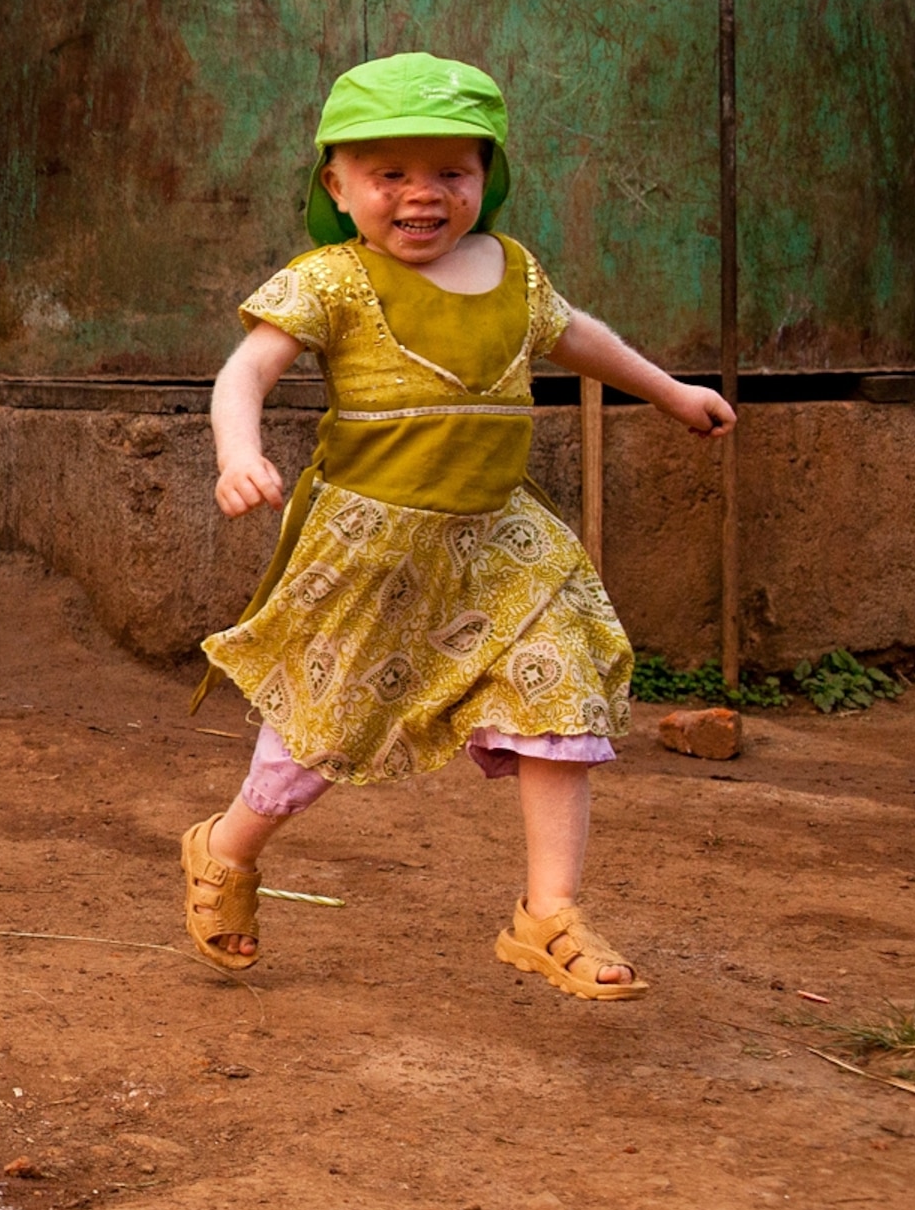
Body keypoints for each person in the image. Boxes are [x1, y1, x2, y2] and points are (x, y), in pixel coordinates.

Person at [183, 55, 732, 998]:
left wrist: (670, 391)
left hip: (499, 545)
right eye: (389, 173)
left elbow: (576, 336)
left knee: (555, 685)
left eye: (451, 171)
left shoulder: (516, 272)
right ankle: (226, 847)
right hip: (372, 553)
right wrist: (240, 452)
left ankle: (548, 911)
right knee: (322, 734)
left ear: (487, 176)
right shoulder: (332, 280)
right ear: (337, 184)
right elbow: (246, 372)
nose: (421, 195)